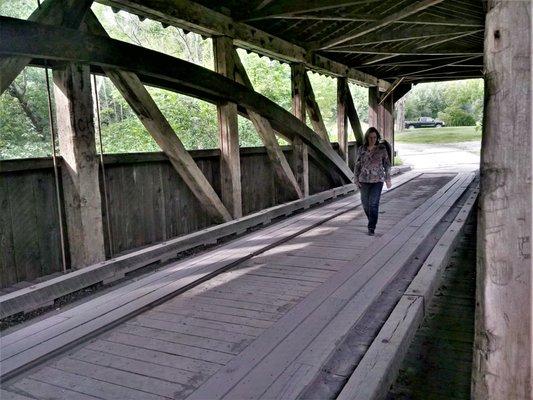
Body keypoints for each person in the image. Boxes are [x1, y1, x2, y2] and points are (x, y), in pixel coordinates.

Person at [354, 127, 391, 236]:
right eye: (370, 137)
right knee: (365, 204)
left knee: (373, 204)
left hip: (377, 180)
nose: (373, 139)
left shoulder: (381, 149)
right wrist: (355, 178)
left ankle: (371, 227)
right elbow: (357, 164)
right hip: (364, 180)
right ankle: (372, 219)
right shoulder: (361, 149)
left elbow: (387, 164)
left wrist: (388, 179)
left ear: (377, 138)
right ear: (367, 138)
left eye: (375, 137)